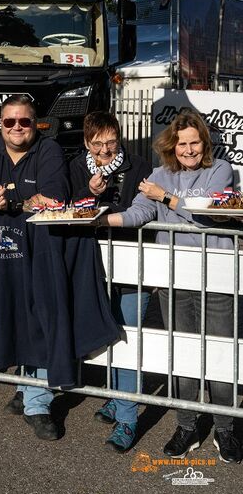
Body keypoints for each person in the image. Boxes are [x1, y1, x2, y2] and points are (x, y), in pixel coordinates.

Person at [0, 95, 119, 441]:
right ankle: (24, 386)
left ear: (36, 123)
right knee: (5, 319)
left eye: (24, 122)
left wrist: (15, 201)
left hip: (40, 254)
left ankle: (38, 403)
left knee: (41, 319)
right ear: (0, 124)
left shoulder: (49, 150)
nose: (17, 128)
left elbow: (53, 194)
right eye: (9, 122)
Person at [99, 109, 241, 463]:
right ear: (171, 146)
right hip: (175, 278)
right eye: (182, 144)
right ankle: (187, 424)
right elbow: (137, 214)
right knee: (183, 355)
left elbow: (211, 211)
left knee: (220, 355)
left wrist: (166, 198)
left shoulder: (220, 170)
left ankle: (225, 429)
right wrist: (96, 221)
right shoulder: (159, 174)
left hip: (217, 277)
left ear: (204, 144)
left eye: (195, 143)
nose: (189, 150)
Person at [70, 111, 152, 452]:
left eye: (111, 141)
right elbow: (68, 210)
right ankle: (117, 399)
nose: (105, 150)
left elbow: (143, 211)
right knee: (107, 334)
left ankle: (127, 419)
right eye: (98, 143)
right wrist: (88, 193)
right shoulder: (75, 167)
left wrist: (104, 210)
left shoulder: (140, 166)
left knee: (127, 337)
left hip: (134, 265)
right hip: (91, 265)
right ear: (87, 143)